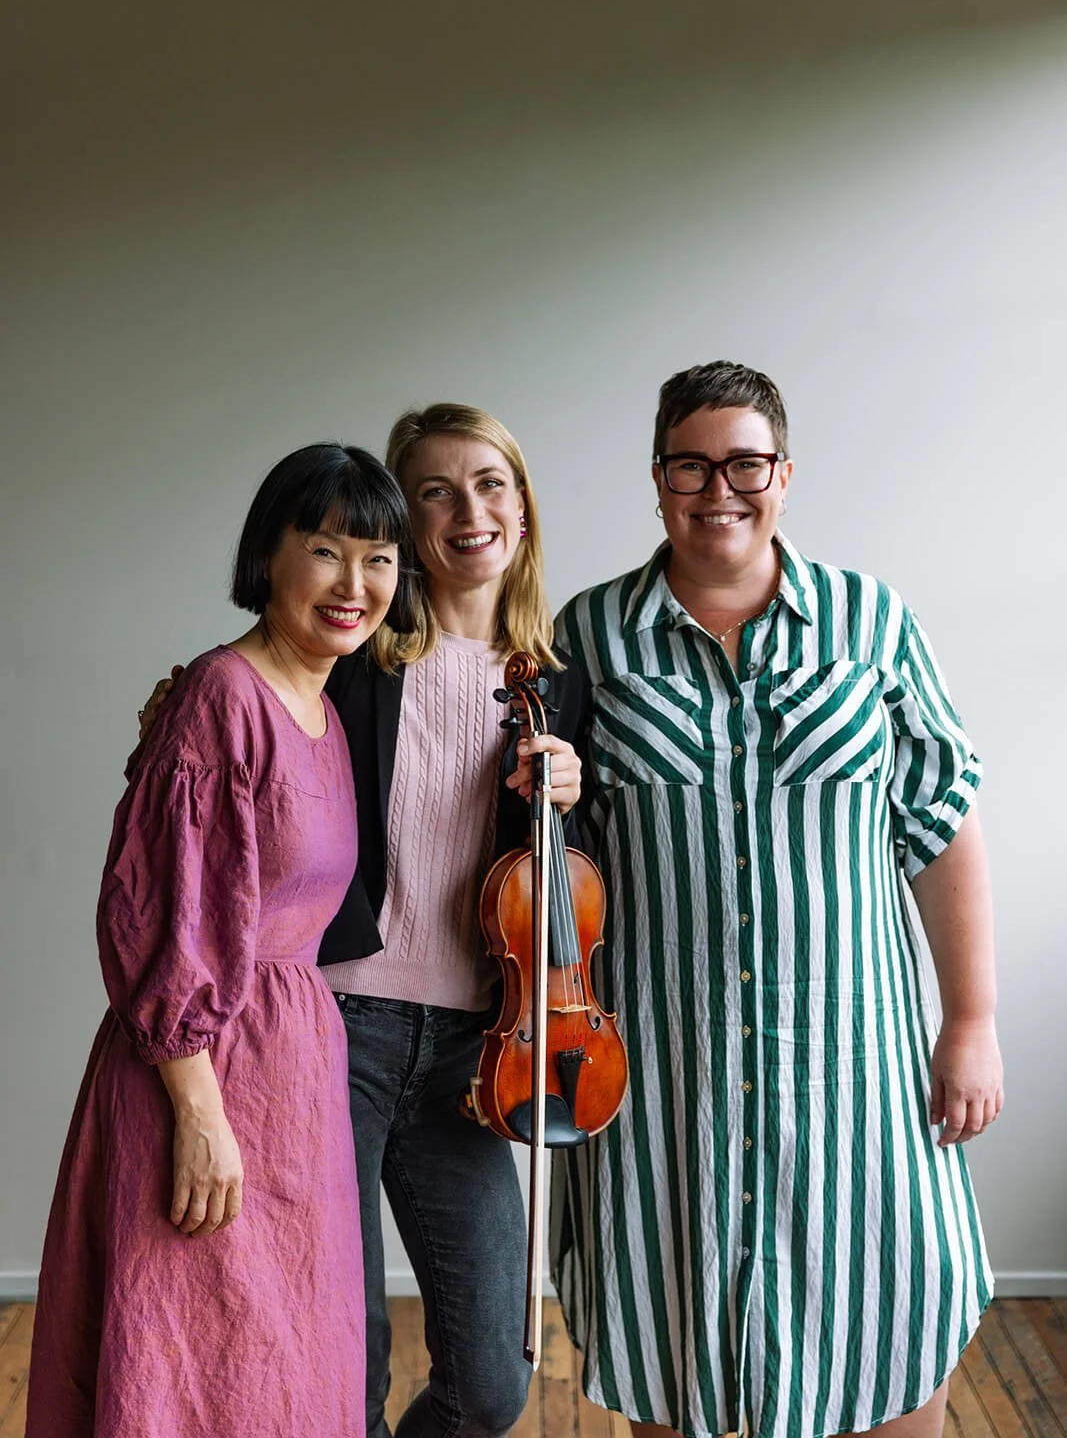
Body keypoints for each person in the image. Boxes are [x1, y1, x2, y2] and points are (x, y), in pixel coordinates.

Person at [550, 362, 1002, 1438]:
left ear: (783, 474)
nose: (719, 488)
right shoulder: (587, 636)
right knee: (669, 1333)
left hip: (858, 1071)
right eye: (690, 464)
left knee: (893, 1310)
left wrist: (971, 1022)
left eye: (744, 462)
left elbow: (941, 824)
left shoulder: (869, 621)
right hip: (667, 1082)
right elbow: (554, 858)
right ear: (655, 479)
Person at [138, 404, 588, 1438]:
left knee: (490, 1381)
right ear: (403, 519)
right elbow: (248, 709)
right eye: (433, 489)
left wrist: (571, 790)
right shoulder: (354, 648)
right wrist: (174, 700)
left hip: (475, 1050)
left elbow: (562, 890)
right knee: (337, 1362)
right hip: (329, 1032)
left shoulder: (557, 685)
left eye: (490, 483)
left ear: (521, 506)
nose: (466, 509)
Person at [27, 442, 412, 1438]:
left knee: (283, 1363)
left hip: (293, 1079)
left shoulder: (323, 710)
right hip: (200, 1076)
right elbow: (158, 912)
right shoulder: (219, 697)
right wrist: (197, 1112)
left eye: (377, 559)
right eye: (326, 550)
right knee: (195, 1365)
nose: (353, 583)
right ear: (269, 557)